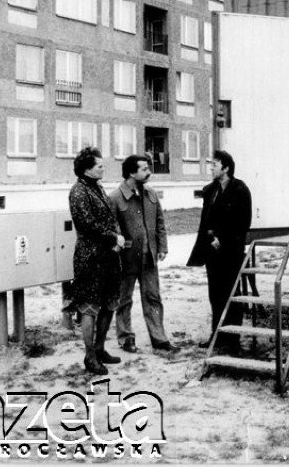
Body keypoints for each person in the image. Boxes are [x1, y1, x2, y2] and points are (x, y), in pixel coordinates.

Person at [109, 154, 178, 354]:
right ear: (132, 172)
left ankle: (159, 338)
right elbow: (113, 230)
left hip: (149, 258)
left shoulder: (151, 194)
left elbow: (160, 223)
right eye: (144, 169)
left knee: (153, 298)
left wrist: (162, 247)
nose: (149, 172)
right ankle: (126, 338)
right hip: (126, 259)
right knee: (124, 299)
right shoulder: (115, 197)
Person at [186, 150, 252, 352]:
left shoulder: (240, 189)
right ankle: (217, 336)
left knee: (232, 294)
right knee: (215, 294)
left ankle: (232, 340)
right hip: (212, 252)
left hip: (231, 251)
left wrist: (222, 239)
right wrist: (210, 237)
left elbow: (242, 222)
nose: (211, 168)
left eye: (214, 164)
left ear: (226, 168)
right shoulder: (211, 191)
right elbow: (206, 219)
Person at [66, 147, 124, 375]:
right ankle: (90, 356)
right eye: (99, 165)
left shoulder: (97, 188)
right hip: (90, 258)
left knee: (110, 302)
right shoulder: (78, 191)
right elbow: (86, 223)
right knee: (89, 307)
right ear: (87, 168)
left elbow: (110, 217)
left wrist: (116, 238)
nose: (103, 168)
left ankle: (99, 349)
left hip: (109, 255)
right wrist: (113, 237)